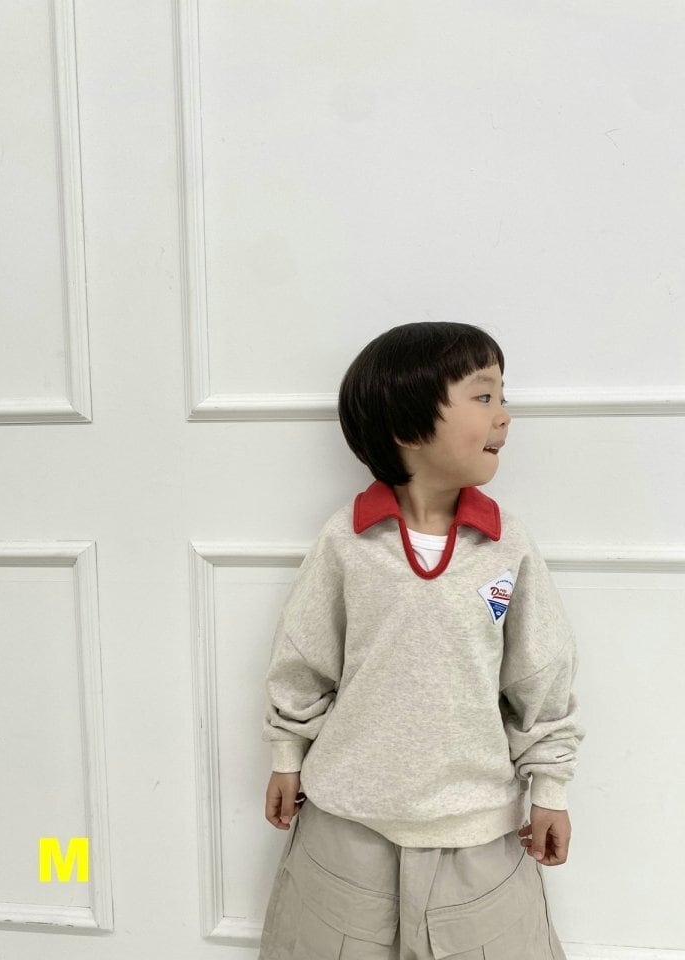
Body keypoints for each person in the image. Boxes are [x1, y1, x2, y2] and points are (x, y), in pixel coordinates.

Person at [258, 321, 586, 959]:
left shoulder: (507, 546)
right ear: (409, 426)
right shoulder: (346, 541)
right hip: (344, 835)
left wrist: (550, 789)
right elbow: (303, 660)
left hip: (481, 844)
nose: (505, 416)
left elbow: (541, 679)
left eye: (503, 396)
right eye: (484, 396)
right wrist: (285, 754)